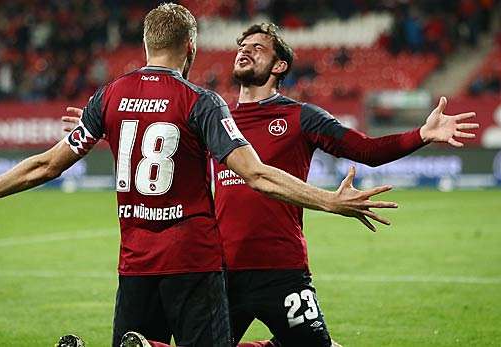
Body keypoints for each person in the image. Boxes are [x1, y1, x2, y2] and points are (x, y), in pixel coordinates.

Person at [0, 5, 398, 347]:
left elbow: (48, 163)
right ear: (191, 48)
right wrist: (330, 201)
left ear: (145, 45)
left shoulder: (109, 97)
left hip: (134, 263)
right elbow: (257, 175)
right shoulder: (200, 101)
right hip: (192, 262)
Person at [64, 22, 479, 347]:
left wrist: (420, 135)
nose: (244, 51)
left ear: (279, 65)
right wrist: (99, 127)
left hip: (282, 270)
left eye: (257, 48)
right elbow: (155, 140)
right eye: (241, 47)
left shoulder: (302, 117)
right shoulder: (211, 116)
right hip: (218, 268)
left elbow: (366, 149)